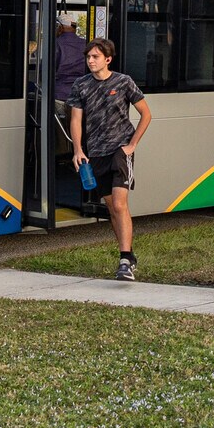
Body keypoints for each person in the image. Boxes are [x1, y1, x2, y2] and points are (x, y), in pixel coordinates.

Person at [69, 36, 151, 281]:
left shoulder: (124, 82)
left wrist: (132, 144)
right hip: (95, 153)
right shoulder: (80, 85)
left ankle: (125, 260)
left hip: (120, 151)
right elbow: (75, 120)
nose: (90, 61)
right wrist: (78, 150)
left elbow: (146, 114)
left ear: (108, 59)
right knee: (111, 208)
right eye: (88, 57)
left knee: (119, 204)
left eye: (95, 57)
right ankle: (128, 255)